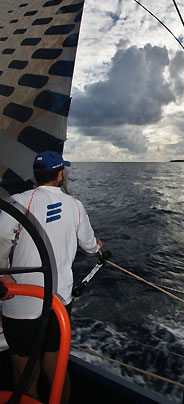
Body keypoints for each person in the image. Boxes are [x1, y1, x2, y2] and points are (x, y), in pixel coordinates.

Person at [0, 151, 102, 403]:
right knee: (56, 369)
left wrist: (4, 275)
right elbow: (89, 245)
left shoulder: (18, 202)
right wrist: (97, 245)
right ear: (59, 175)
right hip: (57, 304)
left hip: (20, 303)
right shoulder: (75, 205)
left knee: (25, 378)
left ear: (37, 176)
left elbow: (1, 238)